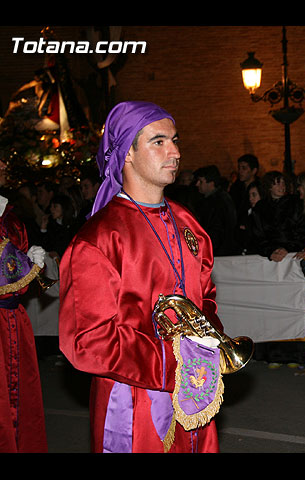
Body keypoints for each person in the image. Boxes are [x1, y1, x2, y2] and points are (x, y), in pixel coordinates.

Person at [59, 101, 223, 453]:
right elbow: (87, 340)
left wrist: (210, 343)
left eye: (175, 140)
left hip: (195, 388)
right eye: (159, 141)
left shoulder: (188, 223)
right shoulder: (98, 238)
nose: (175, 151)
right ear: (127, 153)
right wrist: (170, 360)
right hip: (133, 402)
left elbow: (206, 295)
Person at [0, 192, 48, 453]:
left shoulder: (13, 219)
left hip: (13, 319)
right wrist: (27, 264)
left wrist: (28, 262)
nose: (5, 166)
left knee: (20, 402)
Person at [253, 170, 305, 262]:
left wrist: (288, 248)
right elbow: (258, 235)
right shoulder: (261, 207)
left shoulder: (295, 203)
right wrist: (270, 251)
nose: (282, 186)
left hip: (293, 254)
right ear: (269, 187)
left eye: (283, 183)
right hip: (269, 255)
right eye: (277, 183)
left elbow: (302, 231)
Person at [193, 165, 237, 256]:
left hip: (218, 252)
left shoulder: (217, 202)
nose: (197, 184)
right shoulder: (216, 199)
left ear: (211, 183)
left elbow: (217, 229)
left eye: (201, 181)